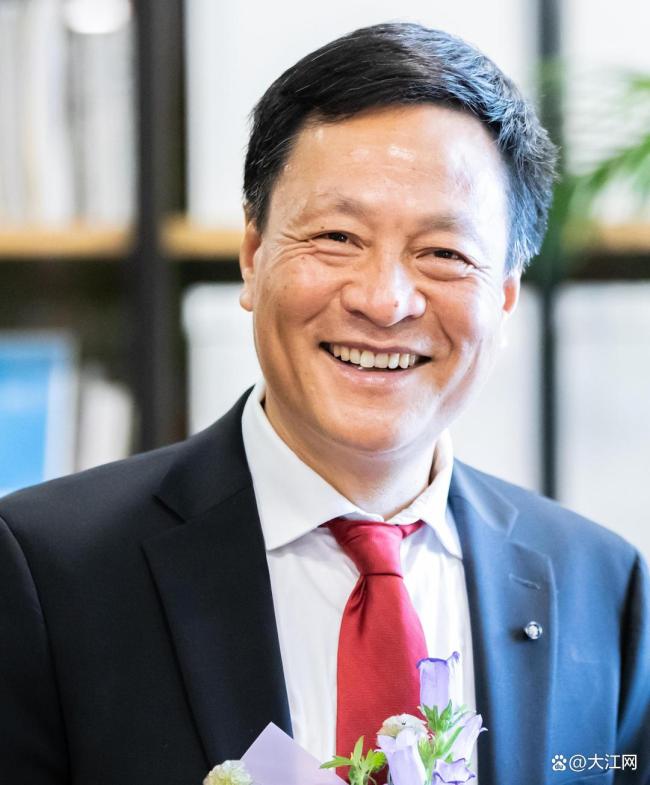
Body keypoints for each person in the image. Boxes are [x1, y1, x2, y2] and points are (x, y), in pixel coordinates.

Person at [1, 22, 648, 785]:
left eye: (444, 252)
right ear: (253, 256)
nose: (385, 300)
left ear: (505, 297)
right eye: (338, 236)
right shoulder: (47, 571)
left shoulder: (601, 588)